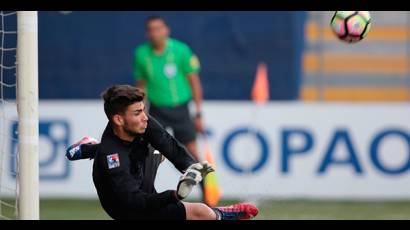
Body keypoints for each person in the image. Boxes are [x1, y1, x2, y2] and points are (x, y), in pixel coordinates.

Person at [65, 85, 258, 220]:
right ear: (118, 119)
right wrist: (174, 195)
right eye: (137, 113)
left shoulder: (141, 123)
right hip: (125, 208)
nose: (144, 118)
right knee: (201, 213)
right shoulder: (112, 157)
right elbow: (134, 202)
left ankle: (87, 148)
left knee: (158, 147)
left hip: (138, 180)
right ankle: (221, 214)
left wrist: (191, 168)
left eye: (143, 110)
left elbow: (169, 144)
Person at [133, 16, 208, 202]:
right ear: (147, 33)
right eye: (151, 29)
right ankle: (143, 194)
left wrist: (198, 113)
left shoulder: (181, 50)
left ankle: (208, 196)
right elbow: (141, 87)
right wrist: (138, 111)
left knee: (191, 152)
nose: (155, 33)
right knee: (149, 153)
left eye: (159, 28)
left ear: (166, 30)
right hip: (157, 110)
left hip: (180, 109)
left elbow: (195, 83)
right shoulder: (141, 54)